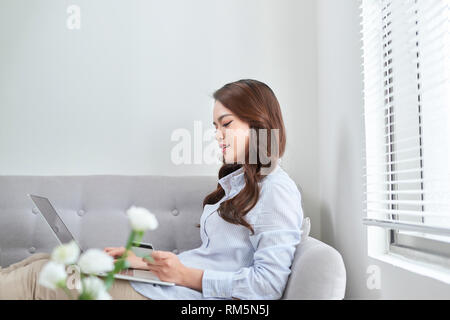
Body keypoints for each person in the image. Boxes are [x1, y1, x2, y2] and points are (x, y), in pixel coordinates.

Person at [0, 79, 304, 300]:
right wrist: (146, 262)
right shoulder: (239, 185)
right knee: (41, 261)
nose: (217, 135)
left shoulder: (277, 190)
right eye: (214, 126)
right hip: (168, 285)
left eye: (226, 124)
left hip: (178, 296)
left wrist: (183, 275)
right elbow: (214, 259)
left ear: (258, 124)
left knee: (38, 280)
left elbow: (267, 285)